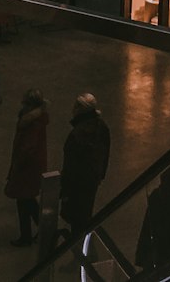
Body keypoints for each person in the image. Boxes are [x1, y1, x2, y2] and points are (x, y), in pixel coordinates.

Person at [60, 93, 111, 240]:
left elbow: (70, 166)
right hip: (92, 178)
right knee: (85, 213)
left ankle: (77, 243)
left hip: (76, 183)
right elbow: (106, 151)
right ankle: (83, 241)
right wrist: (101, 174)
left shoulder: (76, 135)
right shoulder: (102, 127)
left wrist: (65, 190)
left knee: (75, 215)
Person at [5, 89, 49, 248]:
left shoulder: (32, 123)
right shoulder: (38, 120)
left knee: (23, 200)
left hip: (26, 168)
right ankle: (45, 228)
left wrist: (17, 164)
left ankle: (27, 236)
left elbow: (27, 148)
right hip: (32, 166)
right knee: (27, 199)